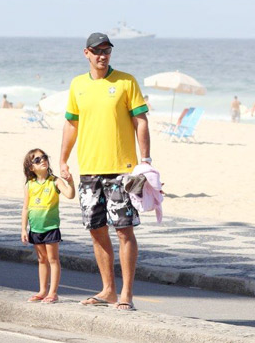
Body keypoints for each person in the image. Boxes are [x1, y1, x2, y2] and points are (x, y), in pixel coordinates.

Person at [60, 32, 150, 311]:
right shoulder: (77, 85)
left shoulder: (126, 81)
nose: (103, 56)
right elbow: (71, 124)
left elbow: (141, 121)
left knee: (124, 230)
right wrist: (63, 160)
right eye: (97, 51)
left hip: (122, 171)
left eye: (107, 51)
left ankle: (126, 293)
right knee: (96, 230)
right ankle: (108, 290)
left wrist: (145, 161)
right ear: (86, 53)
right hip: (89, 170)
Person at [20, 149, 75, 304]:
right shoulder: (29, 185)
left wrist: (70, 181)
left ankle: (53, 292)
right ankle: (42, 290)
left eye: (44, 157)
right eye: (37, 160)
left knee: (53, 259)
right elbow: (25, 208)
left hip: (50, 227)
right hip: (35, 228)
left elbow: (70, 195)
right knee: (41, 260)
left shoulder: (54, 181)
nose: (42, 161)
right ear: (31, 168)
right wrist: (24, 228)